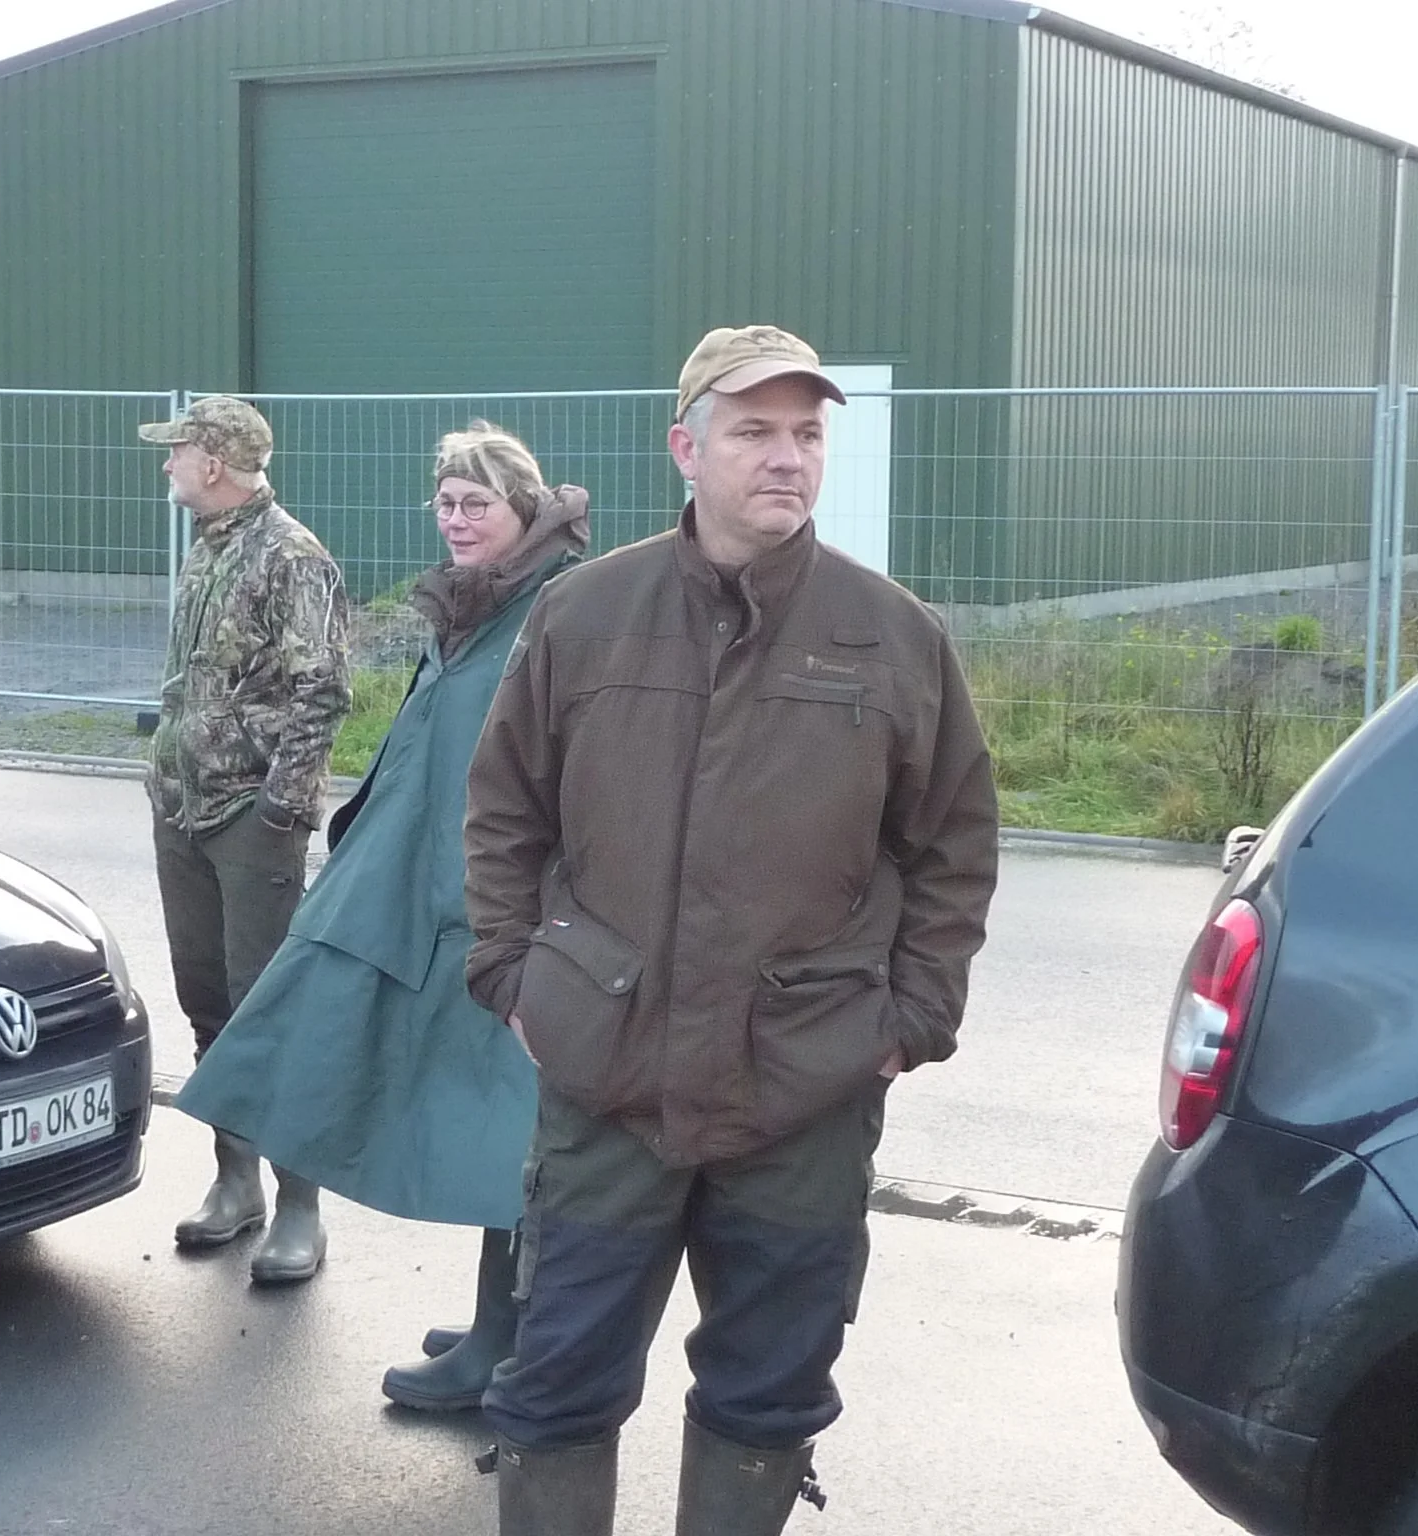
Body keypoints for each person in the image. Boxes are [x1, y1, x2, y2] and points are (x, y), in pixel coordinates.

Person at [462, 327, 1000, 1536]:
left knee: (768, 1394)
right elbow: (503, 811)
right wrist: (509, 975)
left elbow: (951, 847)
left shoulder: (891, 634)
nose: (785, 457)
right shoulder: (585, 616)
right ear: (685, 449)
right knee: (556, 1384)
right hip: (607, 1080)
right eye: (753, 431)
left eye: (806, 433)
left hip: (803, 1084)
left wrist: (911, 1020)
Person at [177, 422, 589, 1406]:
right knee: (468, 1114)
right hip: (425, 886)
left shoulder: (551, 611)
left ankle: (507, 1348)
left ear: (524, 509)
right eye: (445, 502)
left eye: (476, 503)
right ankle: (506, 1322)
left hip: (499, 907)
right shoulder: (484, 603)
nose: (455, 519)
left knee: (508, 1131)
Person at [138, 394, 352, 1285]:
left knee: (270, 1008)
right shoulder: (207, 547)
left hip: (248, 821)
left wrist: (279, 809)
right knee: (207, 1003)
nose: (168, 465)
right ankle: (235, 1182)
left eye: (178, 451)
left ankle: (300, 1205)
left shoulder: (292, 556)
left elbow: (323, 692)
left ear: (215, 462)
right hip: (181, 809)